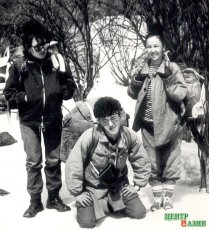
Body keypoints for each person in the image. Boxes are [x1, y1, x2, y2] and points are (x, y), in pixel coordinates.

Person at [3, 19, 77, 217]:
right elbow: (9, 93)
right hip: (29, 120)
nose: (42, 48)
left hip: (52, 118)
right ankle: (35, 201)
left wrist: (62, 91)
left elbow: (70, 86)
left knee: (53, 160)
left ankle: (54, 197)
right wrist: (24, 97)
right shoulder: (20, 66)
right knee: (33, 161)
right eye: (37, 45)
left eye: (45, 44)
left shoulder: (56, 62)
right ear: (28, 46)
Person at [65, 96, 151, 228]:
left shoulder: (129, 135)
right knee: (87, 223)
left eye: (113, 118)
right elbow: (74, 164)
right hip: (92, 189)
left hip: (118, 186)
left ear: (120, 116)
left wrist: (137, 185)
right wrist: (78, 193)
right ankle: (97, 205)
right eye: (105, 121)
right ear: (98, 121)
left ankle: (111, 204)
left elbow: (141, 160)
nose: (111, 124)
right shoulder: (90, 136)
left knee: (139, 212)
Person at [127, 33, 187, 211]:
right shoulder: (143, 67)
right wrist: (137, 80)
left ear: (163, 48)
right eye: (149, 46)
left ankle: (168, 199)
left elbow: (181, 93)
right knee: (151, 163)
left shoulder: (172, 67)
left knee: (170, 161)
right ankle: (157, 199)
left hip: (169, 124)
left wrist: (168, 77)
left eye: (156, 46)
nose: (152, 50)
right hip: (147, 125)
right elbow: (131, 93)